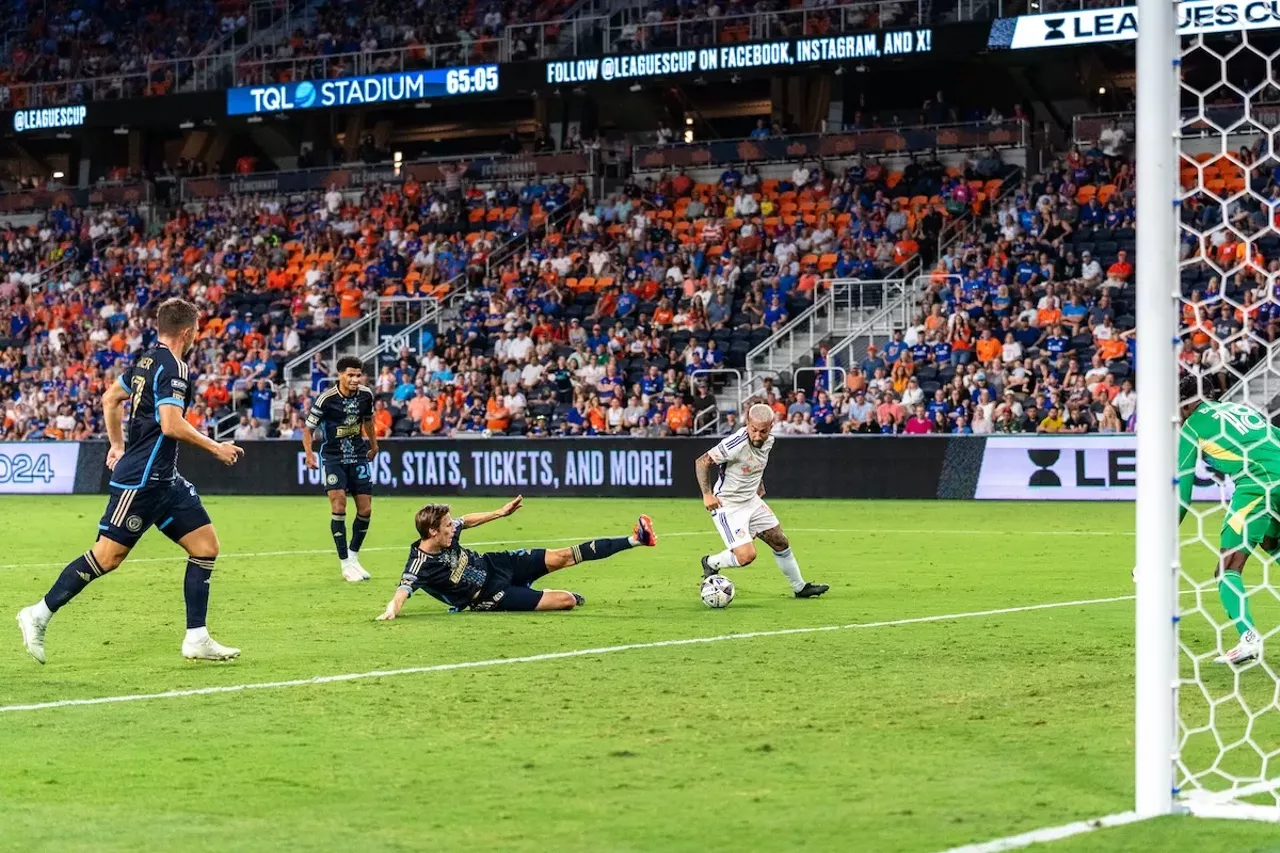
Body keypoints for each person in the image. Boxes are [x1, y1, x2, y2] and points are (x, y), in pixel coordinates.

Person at [16, 298, 245, 664]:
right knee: (107, 557)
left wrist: (118, 443)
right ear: (187, 332)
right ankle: (38, 613)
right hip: (141, 481)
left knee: (205, 546)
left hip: (165, 480)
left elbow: (111, 398)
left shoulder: (146, 360)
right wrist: (214, 447)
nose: (198, 335)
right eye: (198, 329)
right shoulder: (174, 367)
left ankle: (197, 638)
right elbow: (170, 424)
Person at [375, 498, 657, 617]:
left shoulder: (447, 532)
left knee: (564, 556)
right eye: (448, 526)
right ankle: (531, 594)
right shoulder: (420, 564)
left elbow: (467, 521)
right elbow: (403, 589)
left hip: (498, 563)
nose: (453, 527)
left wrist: (500, 512)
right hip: (490, 596)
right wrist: (392, 609)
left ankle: (636, 539)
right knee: (566, 601)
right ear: (432, 532)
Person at [1177, 375, 1279, 665]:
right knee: (1272, 542)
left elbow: (1183, 494)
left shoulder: (1193, 426)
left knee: (1227, 568)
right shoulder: (1242, 409)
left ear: (1185, 404)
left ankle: (1248, 638)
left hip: (1258, 485)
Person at [694, 404, 829, 598]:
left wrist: (759, 483)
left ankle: (800, 587)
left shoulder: (769, 442)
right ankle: (711, 562)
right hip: (728, 505)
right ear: (747, 423)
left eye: (763, 431)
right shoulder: (735, 443)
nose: (758, 436)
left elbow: (755, 463)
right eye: (754, 430)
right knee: (747, 556)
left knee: (780, 541)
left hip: (751, 500)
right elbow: (702, 462)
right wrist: (707, 494)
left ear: (771, 426)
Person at [302, 356, 379, 583]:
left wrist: (374, 445)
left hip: (357, 455)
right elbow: (308, 430)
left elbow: (368, 422)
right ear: (340, 375)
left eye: (358, 375)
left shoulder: (366, 395)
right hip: (333, 457)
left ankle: (354, 558)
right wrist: (309, 454)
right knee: (339, 504)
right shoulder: (326, 399)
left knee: (365, 510)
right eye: (350, 375)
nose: (355, 379)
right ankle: (345, 563)